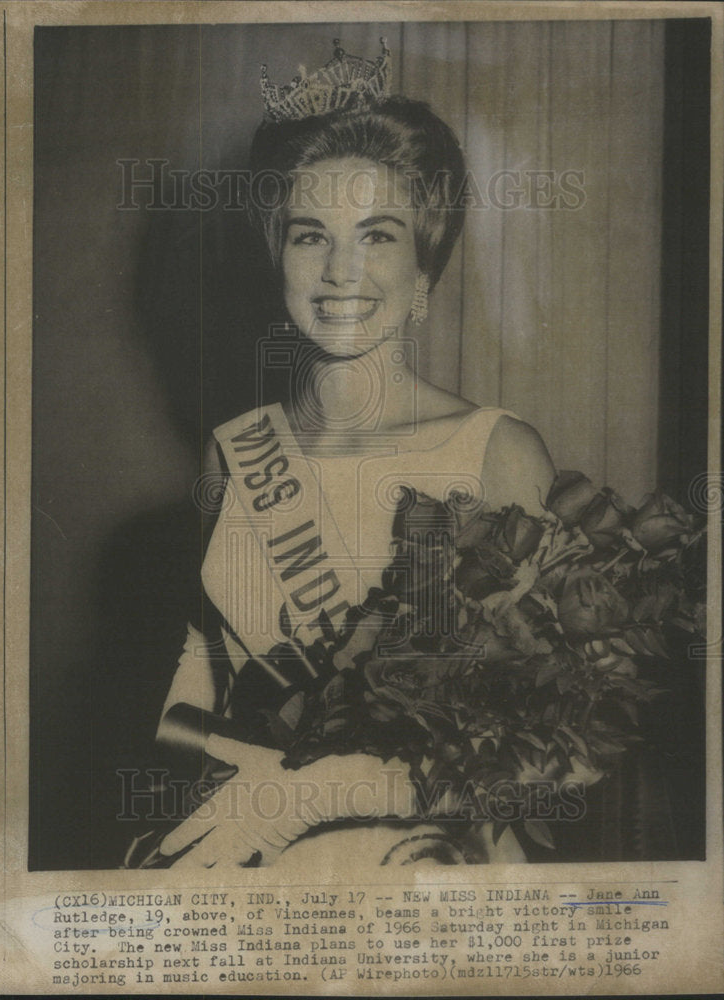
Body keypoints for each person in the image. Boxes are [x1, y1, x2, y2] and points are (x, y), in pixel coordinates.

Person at [151, 42, 555, 869]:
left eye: (377, 235)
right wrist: (190, 800)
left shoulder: (496, 455)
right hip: (250, 860)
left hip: (434, 870)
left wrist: (317, 794)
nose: (341, 271)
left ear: (424, 267)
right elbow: (195, 687)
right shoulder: (233, 456)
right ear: (277, 258)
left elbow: (551, 743)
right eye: (311, 236)